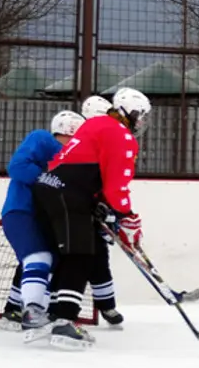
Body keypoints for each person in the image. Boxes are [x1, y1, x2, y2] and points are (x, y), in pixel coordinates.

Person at [29, 87, 152, 349]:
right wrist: (126, 215)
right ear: (127, 111)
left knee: (70, 254)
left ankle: (56, 314)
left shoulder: (95, 125)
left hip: (47, 189)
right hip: (69, 194)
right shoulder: (122, 135)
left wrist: (97, 203)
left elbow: (80, 164)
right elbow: (116, 184)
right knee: (81, 255)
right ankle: (65, 322)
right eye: (139, 115)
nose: (141, 122)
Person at [0, 110, 85, 330]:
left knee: (51, 262)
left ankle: (17, 310)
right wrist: (48, 179)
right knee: (38, 257)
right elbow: (17, 166)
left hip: (48, 217)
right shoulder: (43, 139)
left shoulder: (76, 158)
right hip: (22, 211)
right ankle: (32, 312)